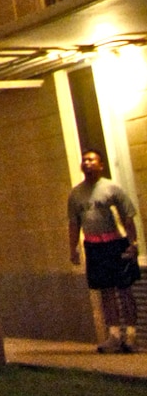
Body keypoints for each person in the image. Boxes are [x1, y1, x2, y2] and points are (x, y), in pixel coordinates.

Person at [68, 149, 140, 353]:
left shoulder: (112, 189)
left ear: (101, 165)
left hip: (116, 244)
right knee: (105, 292)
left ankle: (131, 335)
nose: (87, 163)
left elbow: (127, 217)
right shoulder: (76, 194)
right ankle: (115, 335)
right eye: (84, 160)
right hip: (94, 247)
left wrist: (132, 243)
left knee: (124, 290)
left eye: (92, 160)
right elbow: (74, 224)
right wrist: (73, 249)